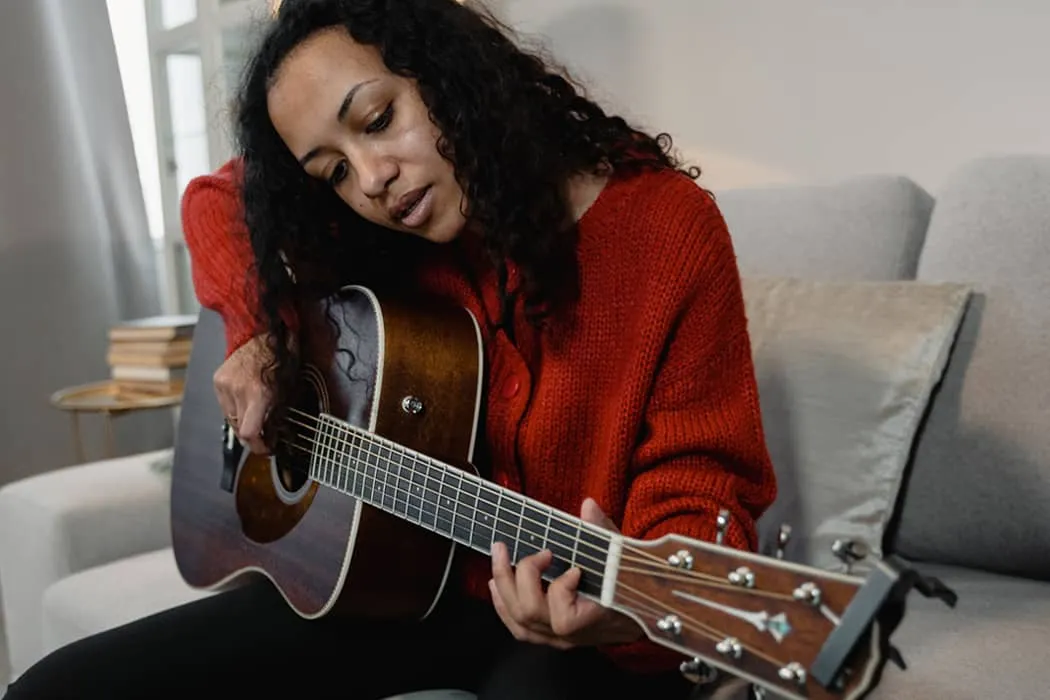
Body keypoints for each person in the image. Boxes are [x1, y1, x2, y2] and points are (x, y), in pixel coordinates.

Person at [6, 1, 776, 698]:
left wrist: (622, 612)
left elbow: (700, 496)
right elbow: (213, 201)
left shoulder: (665, 230)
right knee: (58, 688)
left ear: (450, 72)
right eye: (333, 171)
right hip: (397, 587)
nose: (372, 180)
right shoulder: (381, 233)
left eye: (377, 119)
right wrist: (256, 334)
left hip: (566, 634)